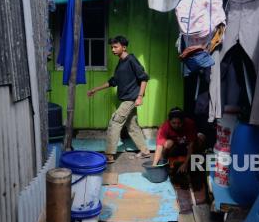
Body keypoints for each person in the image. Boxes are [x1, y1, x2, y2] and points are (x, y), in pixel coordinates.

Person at [87, 35, 151, 163]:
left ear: (124, 47)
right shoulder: (121, 62)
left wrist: (139, 97)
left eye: (115, 47)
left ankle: (109, 154)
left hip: (131, 99)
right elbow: (113, 81)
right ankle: (145, 151)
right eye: (112, 47)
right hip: (127, 99)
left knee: (115, 122)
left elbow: (144, 78)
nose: (113, 49)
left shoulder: (131, 60)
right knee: (132, 126)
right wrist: (95, 89)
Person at [152, 107, 206, 173]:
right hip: (175, 145)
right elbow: (159, 147)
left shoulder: (190, 124)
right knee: (167, 143)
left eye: (179, 123)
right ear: (169, 121)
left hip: (187, 144)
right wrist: (154, 165)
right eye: (173, 123)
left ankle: (196, 152)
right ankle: (165, 161)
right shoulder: (164, 127)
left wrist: (185, 164)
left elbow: (191, 145)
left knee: (202, 138)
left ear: (183, 121)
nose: (177, 125)